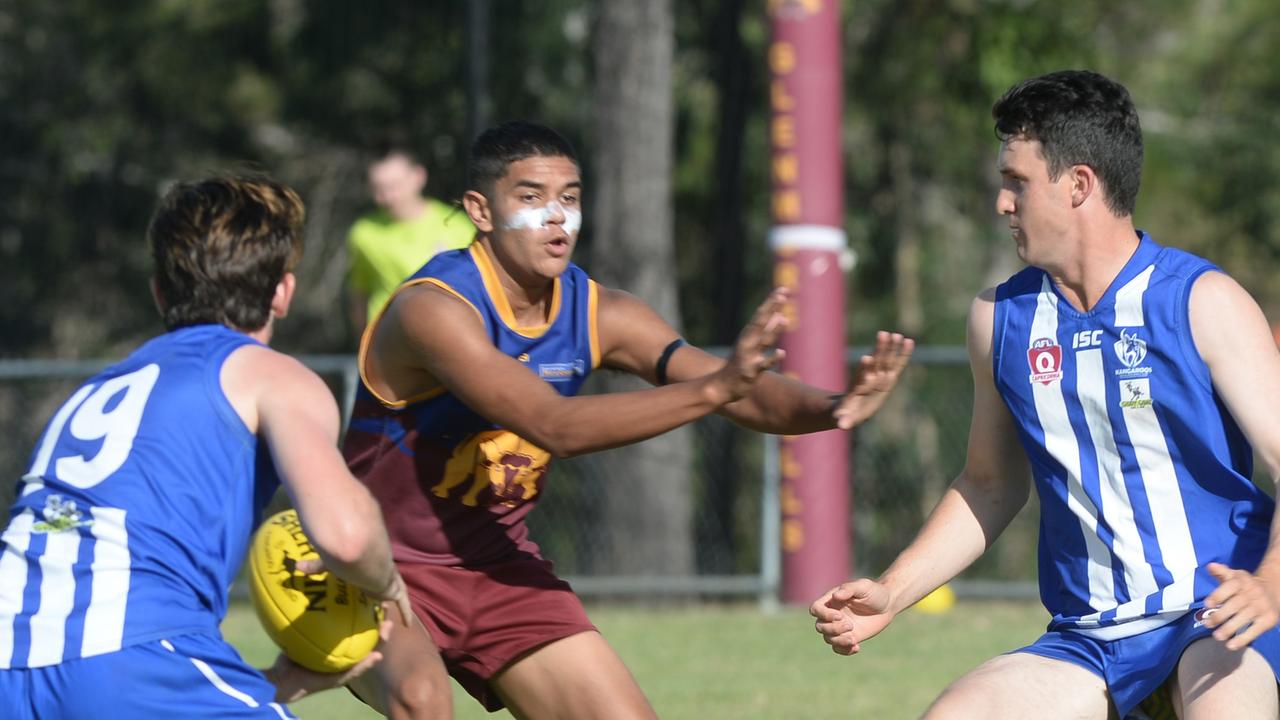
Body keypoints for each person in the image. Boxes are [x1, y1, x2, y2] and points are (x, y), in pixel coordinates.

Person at [340, 120, 914, 719]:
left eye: (570, 197)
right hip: (378, 565)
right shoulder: (432, 307)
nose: (556, 216)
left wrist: (835, 407)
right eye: (531, 198)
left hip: (497, 568)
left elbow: (736, 388)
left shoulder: (601, 312)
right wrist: (718, 387)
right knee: (423, 704)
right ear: (480, 211)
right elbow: (553, 425)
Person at [811, 69, 1280, 719]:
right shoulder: (997, 321)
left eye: (1017, 183)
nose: (1003, 203)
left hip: (1223, 613)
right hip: (1091, 638)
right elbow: (987, 484)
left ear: (1079, 185)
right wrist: (892, 592)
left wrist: (1271, 586)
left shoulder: (1203, 301)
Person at [0, 176, 415, 718]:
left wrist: (276, 683)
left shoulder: (95, 389)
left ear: (159, 292)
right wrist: (385, 581)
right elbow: (349, 537)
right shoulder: (272, 375)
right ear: (283, 292)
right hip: (132, 655)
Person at [347, 144, 477, 336]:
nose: (387, 196)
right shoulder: (363, 233)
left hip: (448, 338)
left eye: (394, 185)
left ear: (418, 176)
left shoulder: (459, 227)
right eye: (378, 188)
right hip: (388, 346)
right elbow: (359, 294)